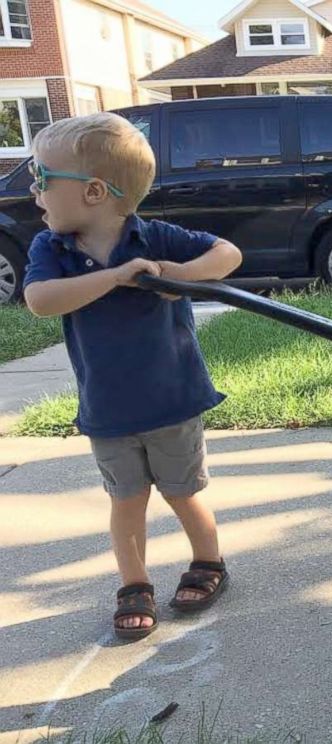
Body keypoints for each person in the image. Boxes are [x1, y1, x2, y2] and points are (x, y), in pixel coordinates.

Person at [22, 112, 243, 640]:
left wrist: (181, 277)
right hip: (109, 408)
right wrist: (116, 276)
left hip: (173, 399)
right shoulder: (51, 249)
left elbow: (227, 254)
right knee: (126, 501)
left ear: (94, 191)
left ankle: (209, 562)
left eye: (44, 180)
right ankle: (134, 583)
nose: (35, 193)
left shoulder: (156, 237)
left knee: (184, 491)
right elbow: (39, 300)